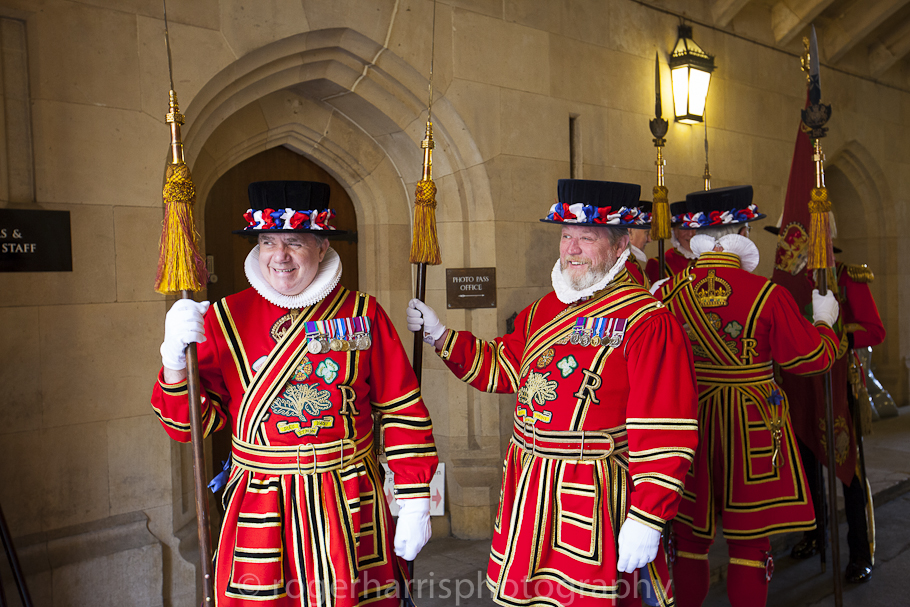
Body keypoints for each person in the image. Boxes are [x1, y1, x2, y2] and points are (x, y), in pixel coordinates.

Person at [408, 179, 699, 607]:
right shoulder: (545, 308)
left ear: (620, 245)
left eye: (587, 238)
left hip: (595, 494)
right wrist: (442, 336)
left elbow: (665, 430)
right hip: (530, 489)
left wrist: (648, 515)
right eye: (566, 236)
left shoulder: (648, 322)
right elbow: (504, 367)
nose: (571, 249)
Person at [151, 181, 438, 606]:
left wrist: (415, 498)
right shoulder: (223, 317)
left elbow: (401, 410)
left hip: (349, 500)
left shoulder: (363, 313)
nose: (279, 256)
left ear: (322, 246)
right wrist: (174, 361)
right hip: (261, 509)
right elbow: (188, 426)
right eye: (268, 241)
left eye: (294, 242)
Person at [654, 185, 840, 607]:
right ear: (742, 232)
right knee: (750, 545)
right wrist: (825, 322)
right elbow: (810, 359)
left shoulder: (665, 293)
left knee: (688, 541)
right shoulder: (768, 294)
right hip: (751, 427)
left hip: (689, 423)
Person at [785, 258, 885, 583]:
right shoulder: (786, 279)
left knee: (849, 471)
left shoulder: (846, 275)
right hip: (801, 384)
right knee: (807, 464)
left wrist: (838, 335)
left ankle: (860, 551)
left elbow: (875, 330)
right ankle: (815, 534)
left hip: (839, 383)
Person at [645, 202, 695, 284]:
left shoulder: (709, 258)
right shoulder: (658, 264)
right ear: (675, 232)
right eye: (684, 228)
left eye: (694, 228)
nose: (690, 234)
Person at [626, 201, 652, 288]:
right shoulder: (625, 267)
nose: (649, 239)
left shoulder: (632, 263)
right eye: (646, 233)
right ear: (630, 232)